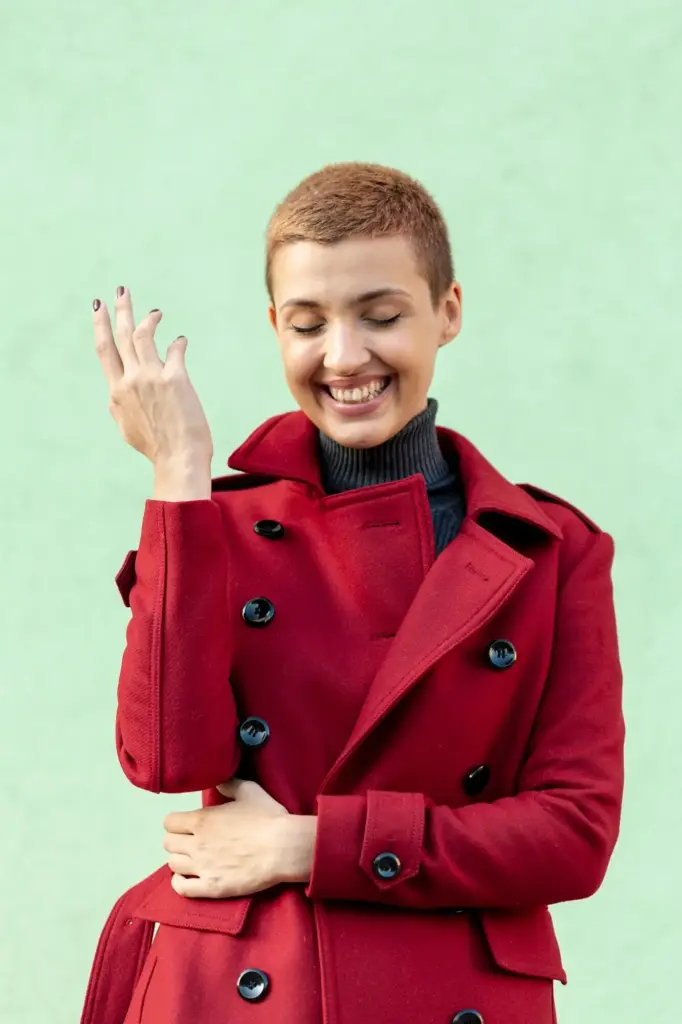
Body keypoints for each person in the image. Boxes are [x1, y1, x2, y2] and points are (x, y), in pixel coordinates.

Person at [81, 162, 625, 1024]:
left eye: (381, 315)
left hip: (451, 988)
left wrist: (306, 846)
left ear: (447, 311)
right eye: (308, 324)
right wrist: (177, 473)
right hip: (243, 989)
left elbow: (573, 836)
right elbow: (166, 760)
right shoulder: (214, 525)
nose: (343, 356)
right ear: (274, 326)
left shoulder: (551, 553)